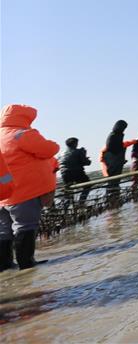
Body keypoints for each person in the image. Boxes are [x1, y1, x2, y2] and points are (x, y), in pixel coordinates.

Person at [0, 104, 59, 271]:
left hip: (3, 194)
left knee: (3, 230)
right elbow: (49, 149)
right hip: (24, 192)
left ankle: (4, 265)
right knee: (25, 226)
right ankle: (27, 263)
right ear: (25, 118)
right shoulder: (21, 134)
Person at [101, 120, 130, 199]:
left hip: (117, 159)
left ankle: (115, 197)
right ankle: (111, 197)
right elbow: (111, 148)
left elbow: (119, 146)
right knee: (112, 180)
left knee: (116, 180)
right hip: (112, 160)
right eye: (123, 128)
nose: (124, 129)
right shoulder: (113, 135)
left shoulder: (118, 135)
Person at [59, 137, 92, 203]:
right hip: (76, 172)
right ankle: (81, 202)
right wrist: (84, 155)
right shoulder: (78, 151)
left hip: (64, 174)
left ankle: (67, 206)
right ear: (75, 144)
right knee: (88, 185)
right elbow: (86, 163)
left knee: (69, 191)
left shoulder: (61, 154)